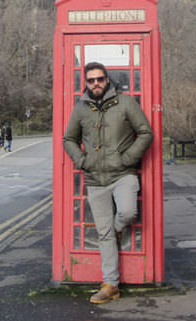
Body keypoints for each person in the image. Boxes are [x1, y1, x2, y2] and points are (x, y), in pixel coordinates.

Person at [63, 62, 153, 304]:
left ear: (107, 79)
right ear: (86, 82)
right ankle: (111, 284)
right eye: (91, 80)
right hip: (95, 179)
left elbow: (146, 132)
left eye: (100, 79)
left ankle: (116, 228)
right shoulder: (80, 108)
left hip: (123, 175)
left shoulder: (125, 103)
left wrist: (129, 158)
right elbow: (68, 138)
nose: (96, 84)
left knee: (128, 213)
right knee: (104, 234)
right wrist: (81, 160)